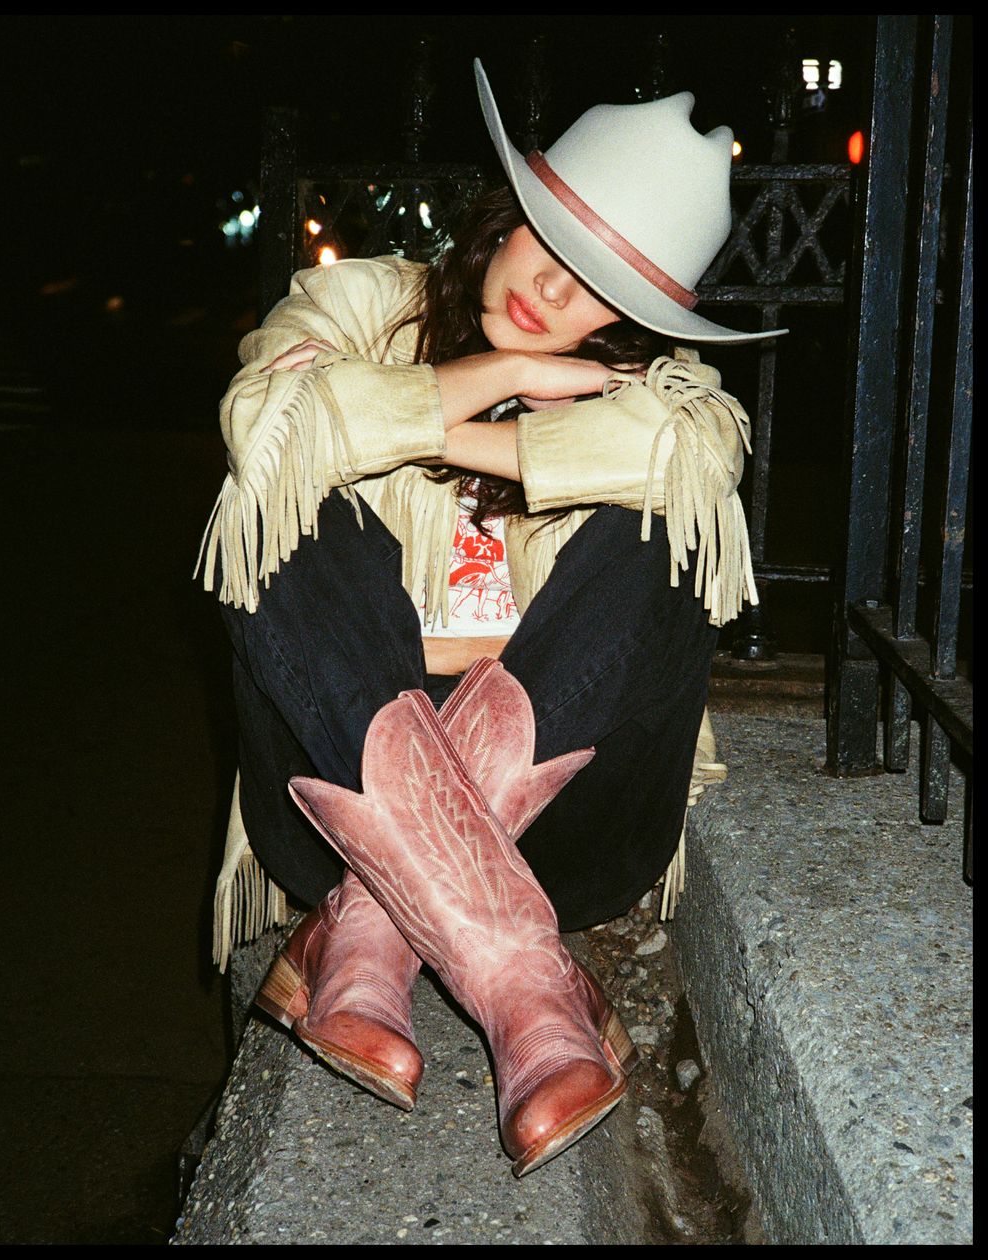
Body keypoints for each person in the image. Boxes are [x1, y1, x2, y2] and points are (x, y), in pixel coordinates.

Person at [196, 59, 785, 1178]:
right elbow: (265, 421)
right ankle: (525, 985)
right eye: (553, 247)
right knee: (284, 502)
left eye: (602, 287)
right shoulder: (368, 301)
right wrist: (491, 373)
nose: (559, 298)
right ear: (508, 214)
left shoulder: (657, 389)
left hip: (569, 832)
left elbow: (690, 460)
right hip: (324, 806)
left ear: (646, 317)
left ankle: (368, 929)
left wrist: (428, 431)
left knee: (665, 527)